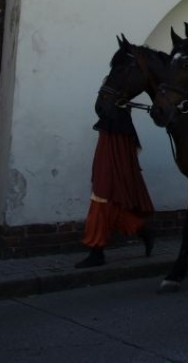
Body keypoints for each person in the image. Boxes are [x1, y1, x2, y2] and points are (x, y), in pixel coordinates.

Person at [74, 102, 155, 268]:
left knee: (100, 208)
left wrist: (108, 177)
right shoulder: (114, 120)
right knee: (113, 209)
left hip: (109, 175)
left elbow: (119, 157)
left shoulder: (117, 121)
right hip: (108, 171)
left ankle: (96, 253)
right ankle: (144, 231)